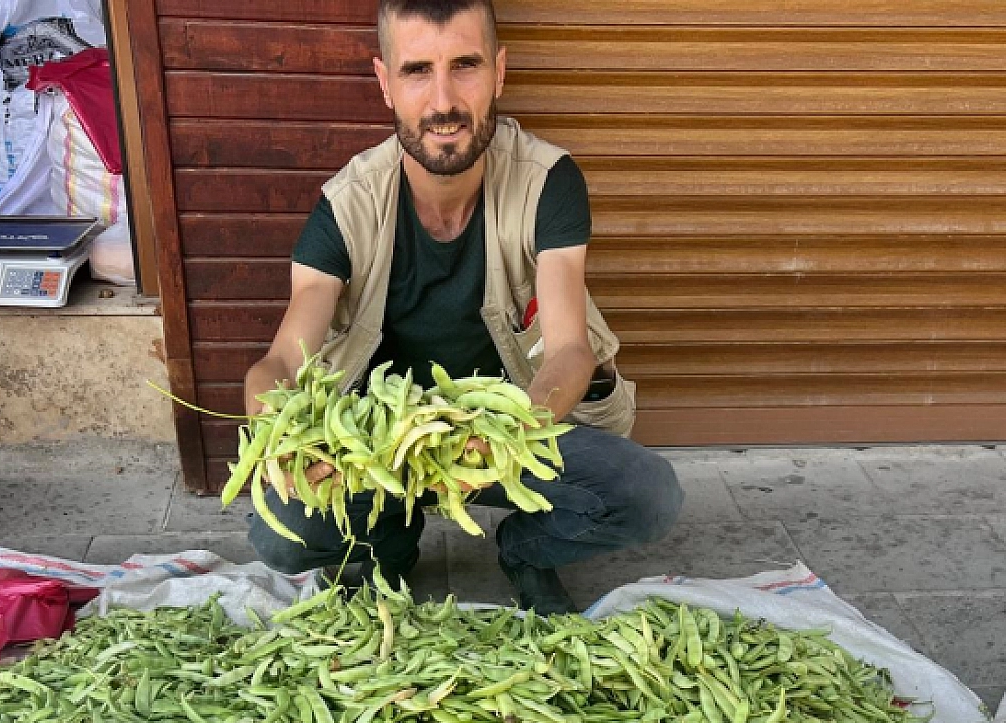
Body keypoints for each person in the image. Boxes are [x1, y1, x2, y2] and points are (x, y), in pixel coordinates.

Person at [242, 0, 682, 614]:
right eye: (417, 70)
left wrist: (508, 432)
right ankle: (386, 546)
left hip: (505, 432)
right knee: (279, 533)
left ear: (499, 71)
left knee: (647, 494)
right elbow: (285, 356)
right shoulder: (347, 204)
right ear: (385, 83)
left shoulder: (546, 180)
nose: (443, 101)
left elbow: (568, 349)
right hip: (380, 449)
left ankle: (525, 549)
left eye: (465, 66)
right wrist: (276, 433)